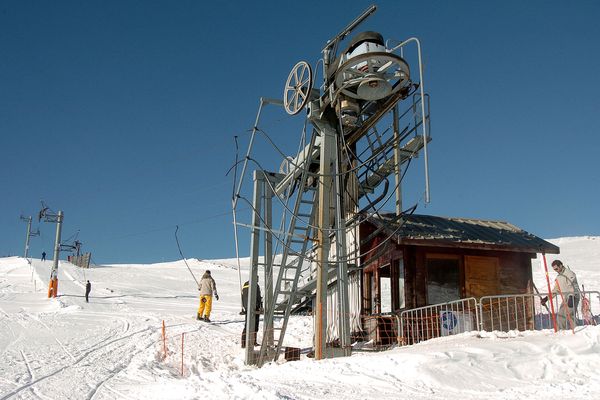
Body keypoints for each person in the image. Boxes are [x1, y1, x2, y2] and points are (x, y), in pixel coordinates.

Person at [541, 259, 580, 329]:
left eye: (556, 268)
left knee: (570, 314)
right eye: (554, 269)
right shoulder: (559, 277)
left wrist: (571, 296)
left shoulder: (569, 273)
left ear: (561, 265)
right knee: (561, 315)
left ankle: (576, 330)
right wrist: (547, 298)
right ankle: (561, 331)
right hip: (566, 297)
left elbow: (571, 285)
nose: (556, 270)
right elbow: (556, 290)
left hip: (573, 296)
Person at [241, 280, 263, 348]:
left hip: (247, 308)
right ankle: (254, 341)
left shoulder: (245, 284)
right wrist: (260, 306)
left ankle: (243, 343)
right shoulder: (255, 285)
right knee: (255, 325)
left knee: (247, 325)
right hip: (254, 308)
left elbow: (243, 296)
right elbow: (258, 297)